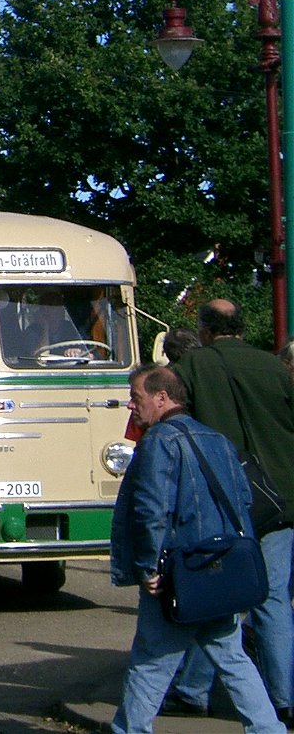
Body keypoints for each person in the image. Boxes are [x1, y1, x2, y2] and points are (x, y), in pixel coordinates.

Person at [108, 364, 281, 734]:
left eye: (136, 397)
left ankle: (129, 731)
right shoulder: (218, 439)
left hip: (178, 572)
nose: (130, 405)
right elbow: (245, 501)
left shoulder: (159, 442)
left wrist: (147, 567)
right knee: (233, 659)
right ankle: (270, 730)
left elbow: (152, 510)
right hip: (221, 571)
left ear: (161, 397)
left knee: (151, 662)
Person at [168, 300, 294, 724]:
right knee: (272, 598)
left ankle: (193, 691)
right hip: (281, 498)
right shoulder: (273, 366)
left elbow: (173, 419)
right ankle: (283, 698)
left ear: (205, 330)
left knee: (221, 598)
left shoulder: (194, 366)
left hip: (223, 496)